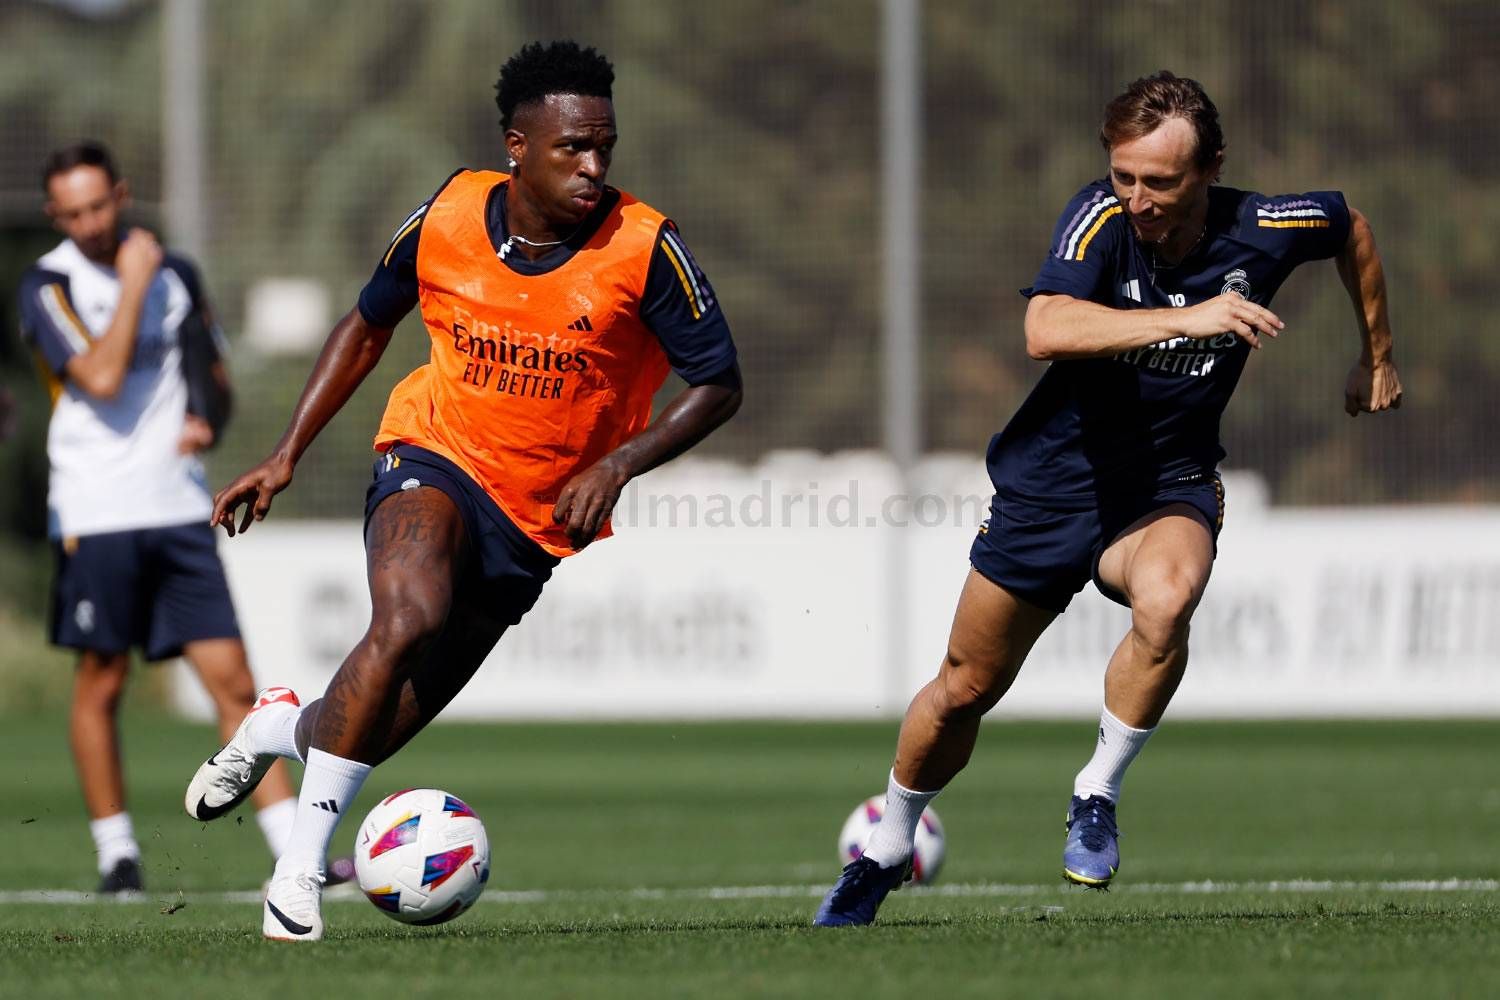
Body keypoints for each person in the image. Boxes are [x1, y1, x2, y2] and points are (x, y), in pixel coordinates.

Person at [814, 71, 1403, 926]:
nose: (1138, 198)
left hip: (1166, 484)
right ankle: (888, 845)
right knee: (964, 687)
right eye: (1124, 175)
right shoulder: (1097, 218)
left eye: (1159, 181)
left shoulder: (1267, 227)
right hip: (1052, 487)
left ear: (1211, 170)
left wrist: (1376, 355)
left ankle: (1096, 792)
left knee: (1168, 601)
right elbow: (1044, 328)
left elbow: (1350, 225)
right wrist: (1188, 316)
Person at [185, 40, 743, 941]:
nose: (594, 167)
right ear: (517, 146)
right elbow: (368, 325)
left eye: (605, 145)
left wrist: (616, 463)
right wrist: (286, 452)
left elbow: (719, 382)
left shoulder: (645, 247)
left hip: (535, 524)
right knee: (405, 620)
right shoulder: (447, 213)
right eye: (573, 148)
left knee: (367, 728)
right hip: (432, 453)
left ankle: (277, 730)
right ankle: (294, 872)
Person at [17, 142, 313, 894]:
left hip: (179, 506)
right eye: (72, 212)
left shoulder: (177, 273)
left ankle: (293, 854)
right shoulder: (48, 283)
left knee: (234, 682)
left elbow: (213, 379)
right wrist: (133, 282)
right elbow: (103, 376)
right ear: (57, 215)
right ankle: (118, 854)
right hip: (97, 509)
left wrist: (205, 419)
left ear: (120, 194)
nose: (89, 223)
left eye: (98, 205)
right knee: (102, 680)